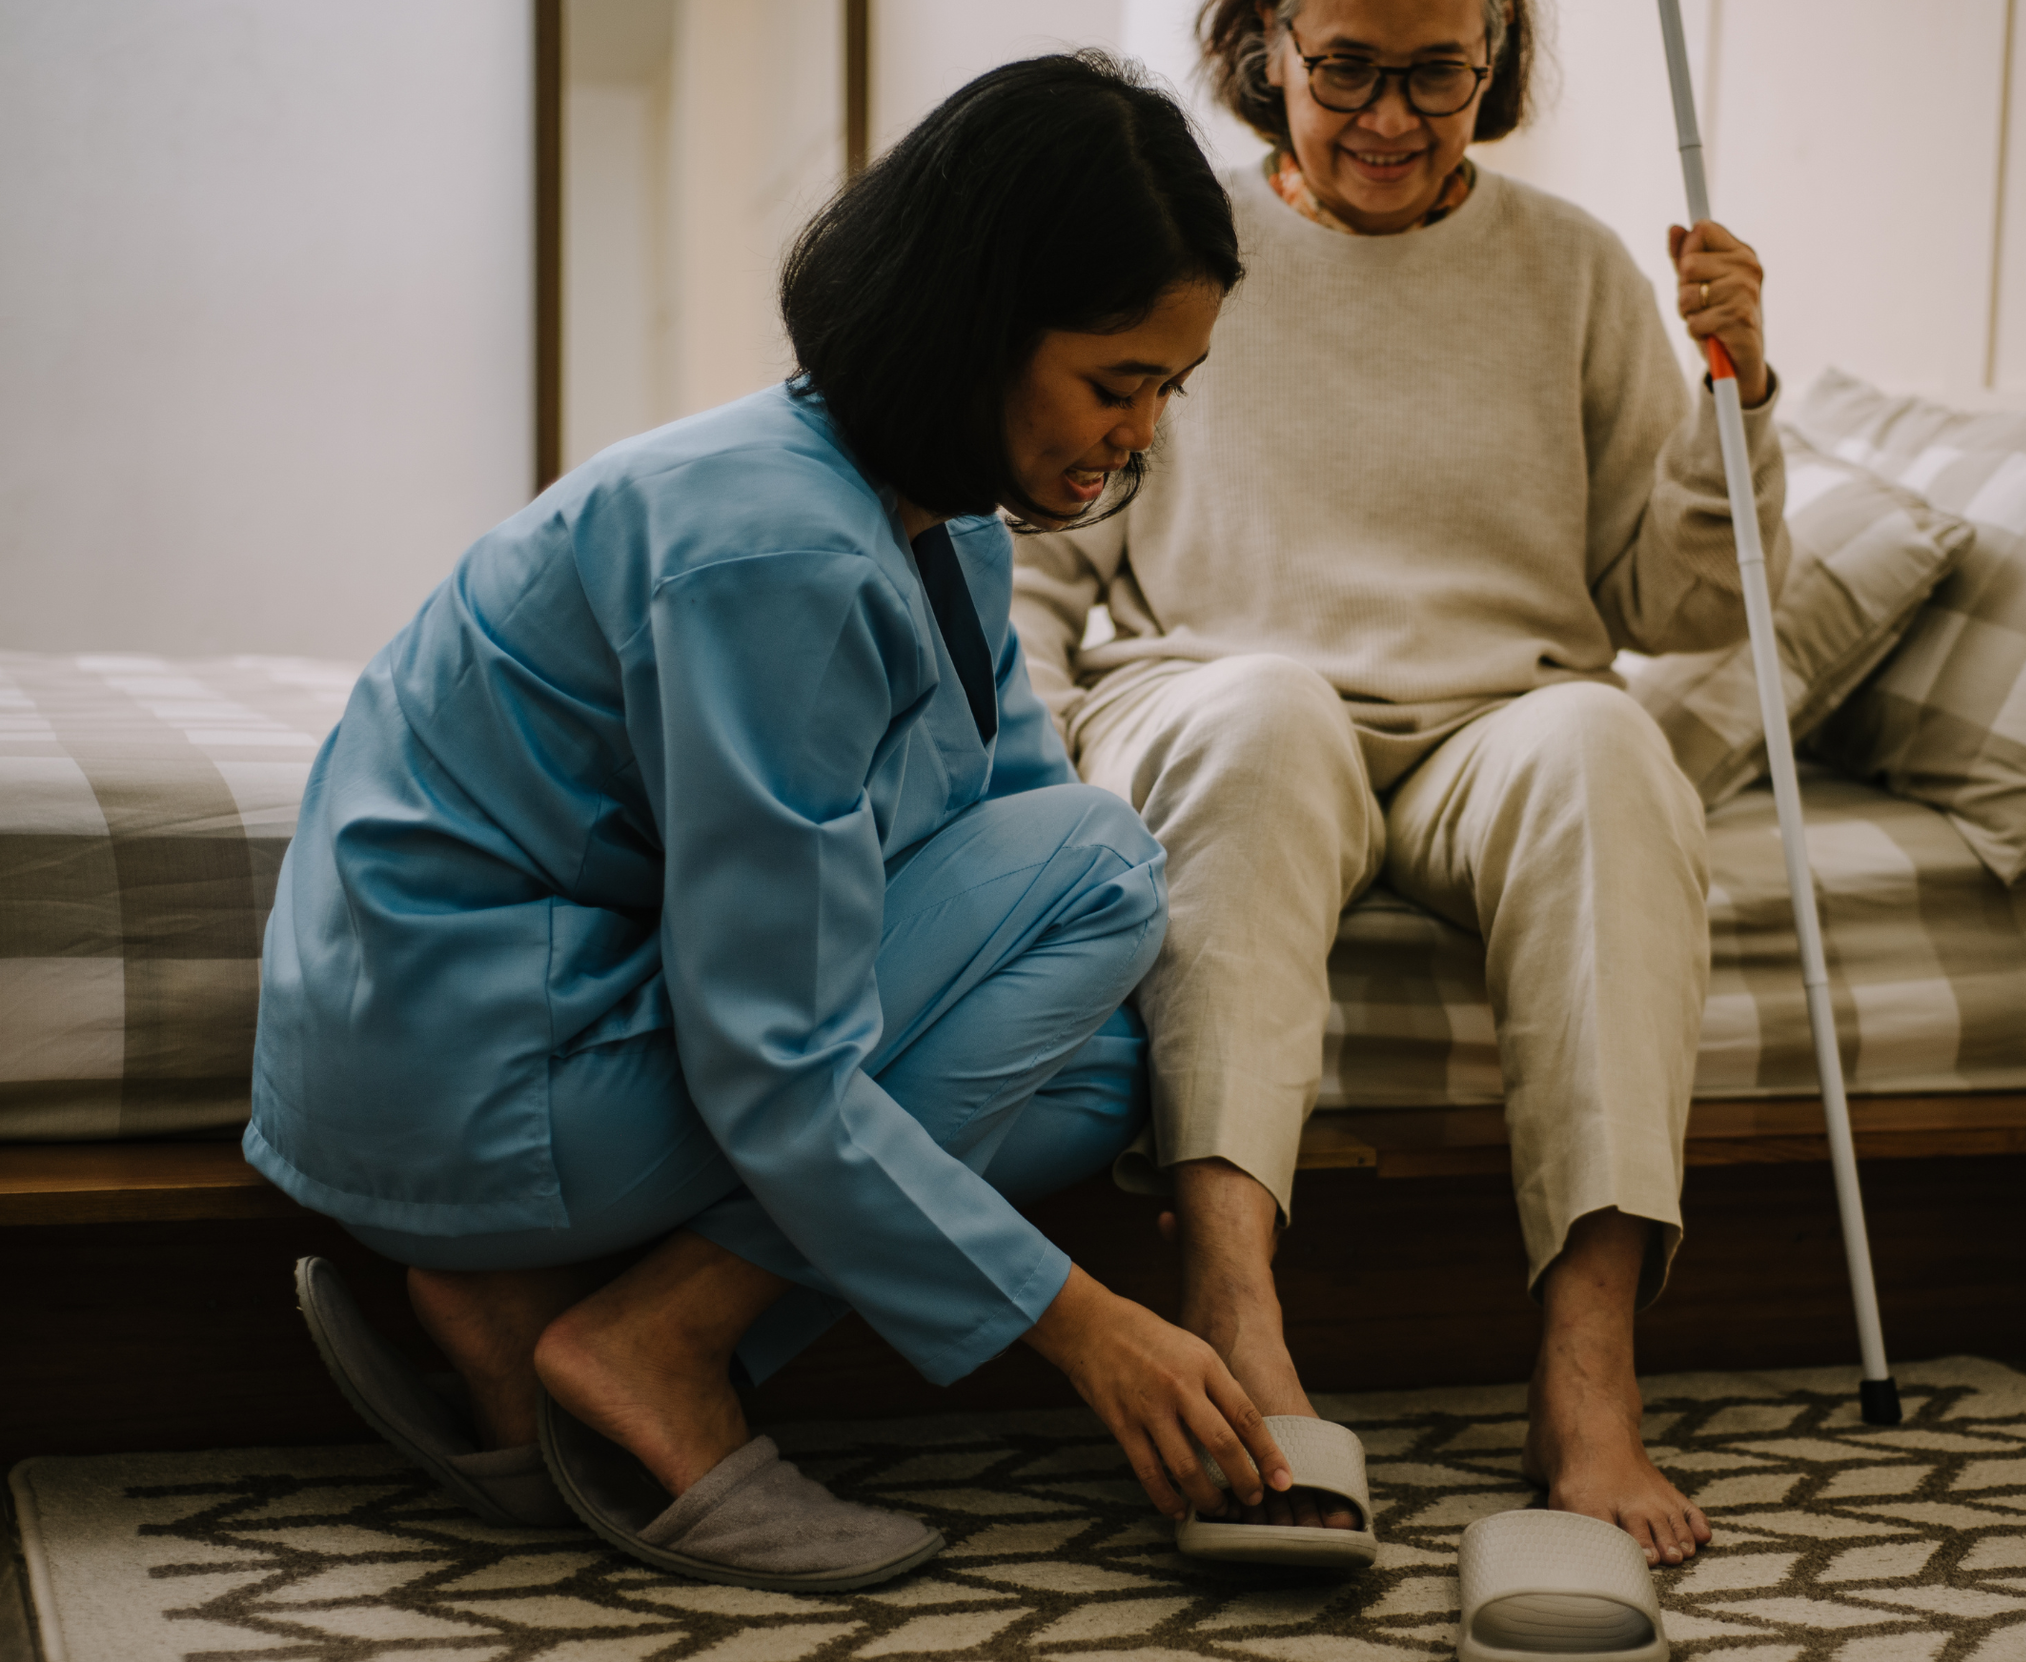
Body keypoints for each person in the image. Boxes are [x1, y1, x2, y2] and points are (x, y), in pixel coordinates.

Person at [247, 52, 1297, 1593]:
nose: (1138, 436)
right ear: (978, 330)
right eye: (1115, 381)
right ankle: (651, 1348)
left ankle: (570, 1314)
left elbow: (995, 831)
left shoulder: (934, 533)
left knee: (1095, 1074)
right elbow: (782, 1047)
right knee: (1104, 865)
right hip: (464, 1061)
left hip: (500, 1043)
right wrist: (1084, 1323)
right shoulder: (774, 552)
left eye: (1164, 391)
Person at [1011, 0, 1790, 1569]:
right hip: (1220, 686)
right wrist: (1017, 767)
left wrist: (1739, 396)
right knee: (1272, 719)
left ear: (1494, 55)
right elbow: (1040, 542)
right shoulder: (1184, 240)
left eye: (1436, 71)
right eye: (1346, 66)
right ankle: (1239, 1323)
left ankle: (1589, 1379)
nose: (1388, 114)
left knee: (1611, 743)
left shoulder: (1571, 267)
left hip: (1497, 717)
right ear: (1269, 45)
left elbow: (1688, 609)